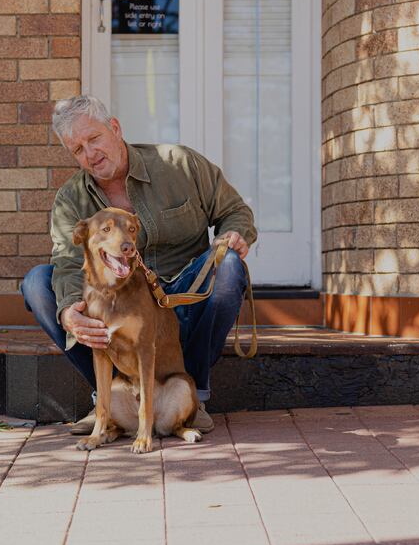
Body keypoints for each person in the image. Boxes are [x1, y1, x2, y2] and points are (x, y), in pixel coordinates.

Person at [21, 95, 257, 435]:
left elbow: (234, 210)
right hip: (118, 309)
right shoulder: (71, 200)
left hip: (183, 298)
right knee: (37, 283)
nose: (90, 154)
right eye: (78, 149)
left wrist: (234, 234)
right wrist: (70, 311)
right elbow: (68, 263)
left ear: (115, 128)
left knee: (229, 264)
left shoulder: (179, 163)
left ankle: (192, 398)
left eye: (94, 138)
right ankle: (108, 399)